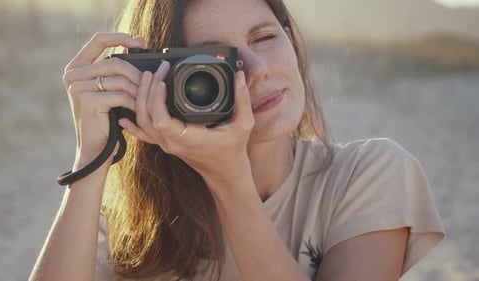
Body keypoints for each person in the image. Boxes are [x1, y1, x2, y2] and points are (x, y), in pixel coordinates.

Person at [30, 0, 445, 280]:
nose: (258, 69)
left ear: (292, 40)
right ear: (160, 79)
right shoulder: (138, 219)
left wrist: (230, 180)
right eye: (216, 61)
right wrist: (91, 157)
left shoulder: (368, 175)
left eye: (264, 37)